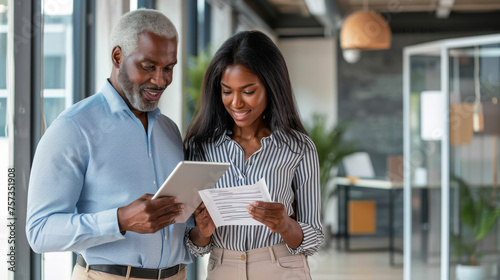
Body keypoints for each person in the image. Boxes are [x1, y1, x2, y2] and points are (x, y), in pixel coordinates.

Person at [26, 9, 192, 280]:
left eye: (169, 68)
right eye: (148, 66)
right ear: (118, 57)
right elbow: (40, 232)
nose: (161, 80)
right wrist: (120, 220)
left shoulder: (169, 130)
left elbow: (180, 227)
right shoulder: (73, 127)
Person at [184, 30, 324, 280]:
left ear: (271, 87)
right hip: (223, 267)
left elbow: (314, 236)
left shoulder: (298, 147)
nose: (236, 103)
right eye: (227, 91)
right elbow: (195, 244)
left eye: (248, 91)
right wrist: (203, 231)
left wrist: (285, 225)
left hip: (281, 266)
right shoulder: (201, 147)